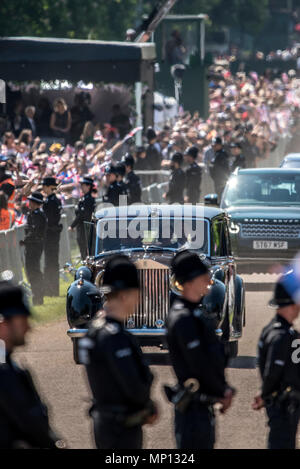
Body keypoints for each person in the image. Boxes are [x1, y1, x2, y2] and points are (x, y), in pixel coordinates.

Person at [78, 255, 158, 449]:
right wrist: (148, 406)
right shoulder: (114, 336)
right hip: (121, 428)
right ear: (125, 295)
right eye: (137, 293)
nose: (138, 300)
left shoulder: (94, 331)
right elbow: (134, 385)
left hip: (105, 422)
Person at [165, 250, 234, 449]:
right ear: (190, 281)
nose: (208, 280)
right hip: (192, 409)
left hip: (203, 406)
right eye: (203, 276)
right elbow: (199, 362)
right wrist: (222, 390)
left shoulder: (194, 314)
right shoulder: (183, 318)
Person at [0, 282, 65, 449]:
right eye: (22, 320)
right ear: (2, 323)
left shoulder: (7, 364)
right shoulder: (4, 372)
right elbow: (31, 423)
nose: (28, 327)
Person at [253, 273, 300, 449]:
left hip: (284, 404)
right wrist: (265, 393)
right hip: (283, 405)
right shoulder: (281, 336)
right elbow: (273, 371)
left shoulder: (272, 330)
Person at [20, 192, 47, 306]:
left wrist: (25, 240)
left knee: (34, 271)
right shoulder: (32, 214)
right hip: (31, 245)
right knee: (31, 271)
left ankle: (38, 297)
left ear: (36, 203)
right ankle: (37, 296)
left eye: (31, 201)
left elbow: (34, 231)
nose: (29, 203)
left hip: (35, 245)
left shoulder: (38, 215)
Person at [42, 177, 63, 297]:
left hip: (51, 235)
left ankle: (52, 290)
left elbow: (50, 220)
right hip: (52, 235)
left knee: (51, 262)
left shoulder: (51, 201)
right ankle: (51, 289)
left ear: (49, 187)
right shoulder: (54, 200)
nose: (43, 188)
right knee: (51, 262)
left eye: (44, 186)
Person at [69, 176, 95, 261]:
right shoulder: (83, 198)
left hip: (86, 228)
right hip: (81, 228)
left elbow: (82, 215)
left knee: (87, 251)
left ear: (88, 186)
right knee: (83, 250)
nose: (81, 187)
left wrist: (72, 225)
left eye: (83, 185)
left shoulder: (88, 199)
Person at [209, 137, 230, 202]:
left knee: (222, 198)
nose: (213, 147)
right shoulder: (217, 154)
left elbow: (222, 169)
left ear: (220, 145)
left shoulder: (222, 155)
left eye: (215, 145)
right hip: (218, 180)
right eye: (213, 145)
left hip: (221, 180)